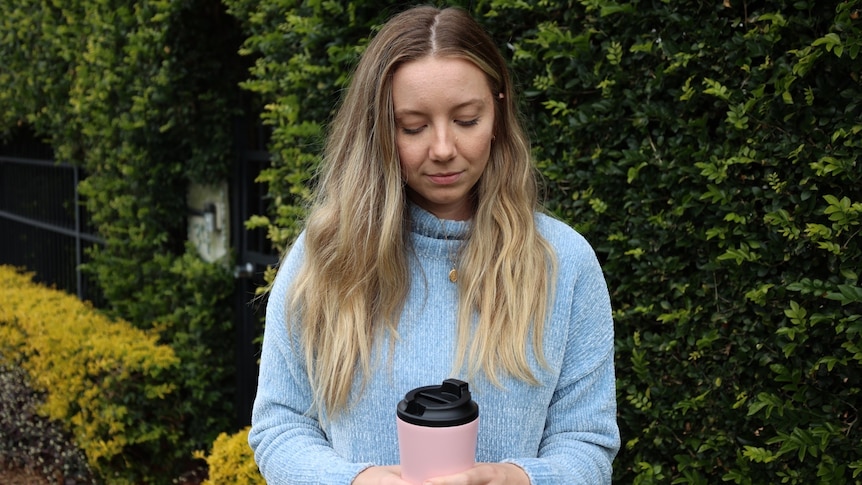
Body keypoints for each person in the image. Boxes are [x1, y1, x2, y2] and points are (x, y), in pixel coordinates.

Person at [248, 6, 619, 484]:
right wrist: (356, 482)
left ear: (499, 111)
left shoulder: (563, 263)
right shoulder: (328, 255)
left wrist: (512, 479)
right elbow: (280, 425)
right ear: (378, 128)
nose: (443, 148)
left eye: (466, 119)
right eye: (413, 127)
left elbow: (587, 444)